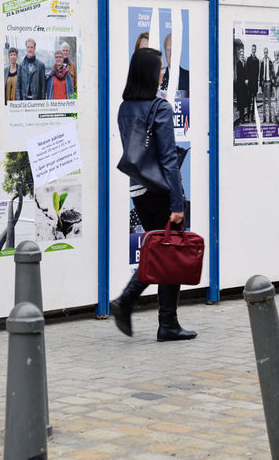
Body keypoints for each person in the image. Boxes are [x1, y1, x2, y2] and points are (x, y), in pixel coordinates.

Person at [110, 47, 196, 342]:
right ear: (149, 73)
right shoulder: (160, 108)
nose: (163, 72)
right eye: (160, 68)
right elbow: (169, 160)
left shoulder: (125, 107)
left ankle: (161, 319)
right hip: (161, 190)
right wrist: (177, 201)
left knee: (160, 248)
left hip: (138, 189)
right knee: (168, 251)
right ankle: (141, 308)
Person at [244, 44, 260, 123]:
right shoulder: (248, 59)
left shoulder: (257, 60)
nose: (253, 50)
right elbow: (246, 70)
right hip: (249, 83)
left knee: (254, 101)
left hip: (254, 84)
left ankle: (252, 117)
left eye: (254, 49)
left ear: (255, 50)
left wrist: (257, 83)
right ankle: (247, 116)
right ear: (251, 50)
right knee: (248, 100)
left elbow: (257, 73)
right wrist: (246, 79)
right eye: (252, 49)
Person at [258, 47, 273, 124]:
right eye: (264, 52)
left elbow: (272, 72)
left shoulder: (270, 61)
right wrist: (260, 84)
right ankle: (264, 118)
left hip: (269, 82)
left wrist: (272, 83)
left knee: (269, 101)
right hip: (264, 83)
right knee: (264, 101)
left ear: (268, 52)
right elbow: (260, 73)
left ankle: (270, 118)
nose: (266, 54)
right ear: (263, 53)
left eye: (266, 52)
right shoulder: (262, 62)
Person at [234, 44, 247, 124]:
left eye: (243, 54)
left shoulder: (244, 63)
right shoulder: (238, 64)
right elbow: (239, 75)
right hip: (240, 85)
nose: (242, 56)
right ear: (239, 55)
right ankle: (241, 119)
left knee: (243, 102)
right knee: (240, 103)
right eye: (241, 55)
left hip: (244, 86)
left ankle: (243, 118)